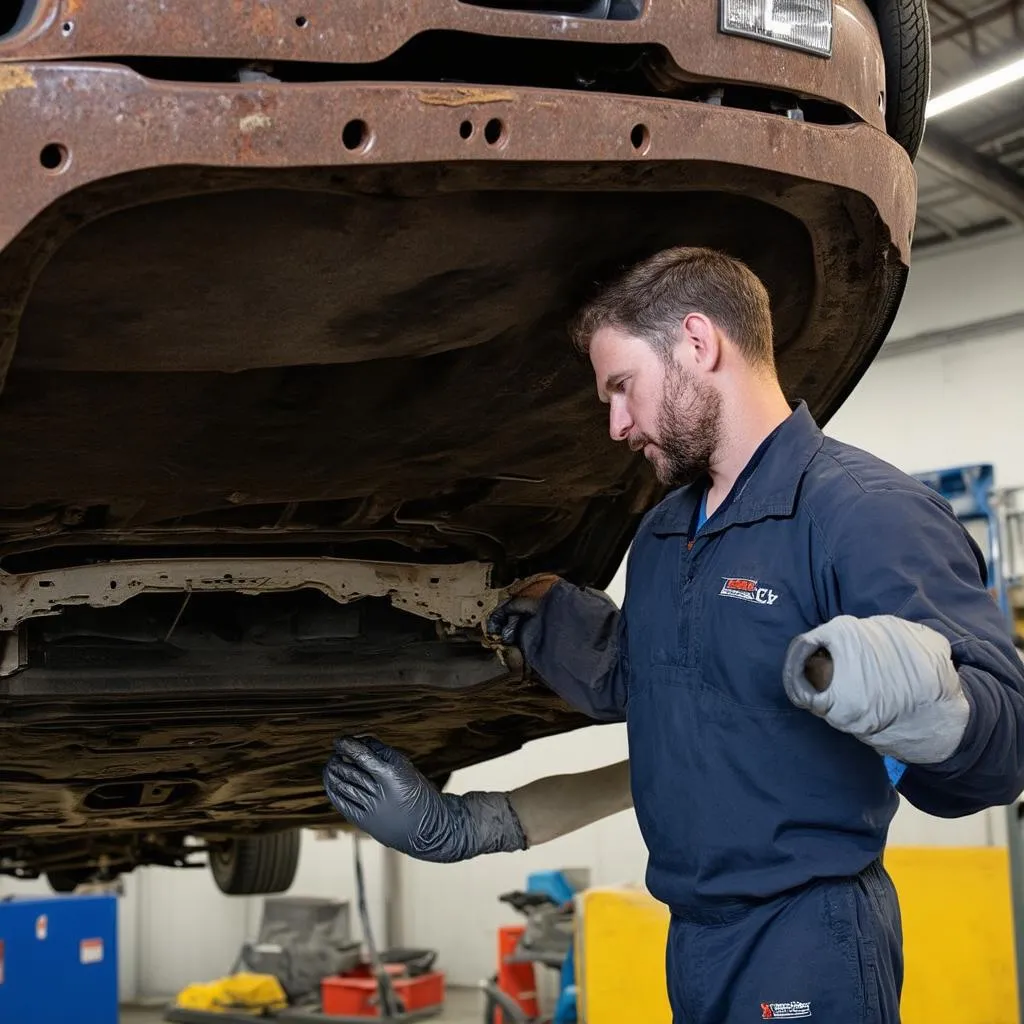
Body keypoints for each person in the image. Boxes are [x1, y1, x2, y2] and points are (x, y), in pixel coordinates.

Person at [323, 247, 1024, 1021]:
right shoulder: (663, 535)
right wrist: (464, 817)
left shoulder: (862, 513)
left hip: (807, 934)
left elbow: (1002, 756)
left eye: (622, 387)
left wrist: (923, 696)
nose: (616, 425)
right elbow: (653, 691)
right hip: (694, 940)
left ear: (698, 341)